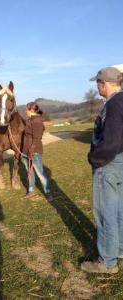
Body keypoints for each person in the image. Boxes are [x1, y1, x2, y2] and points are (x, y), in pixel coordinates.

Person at [81, 67, 123, 274]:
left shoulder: (113, 104)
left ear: (103, 83)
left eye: (97, 82)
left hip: (109, 164)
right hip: (122, 163)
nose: (97, 86)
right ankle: (120, 249)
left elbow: (113, 140)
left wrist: (95, 158)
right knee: (119, 210)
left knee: (106, 213)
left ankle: (107, 261)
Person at [22, 101, 53, 202]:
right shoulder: (30, 120)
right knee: (30, 173)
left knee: (40, 173)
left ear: (31, 110)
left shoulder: (37, 121)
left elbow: (37, 138)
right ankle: (31, 190)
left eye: (26, 109)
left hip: (34, 151)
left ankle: (48, 192)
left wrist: (31, 151)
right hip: (26, 151)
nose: (25, 111)